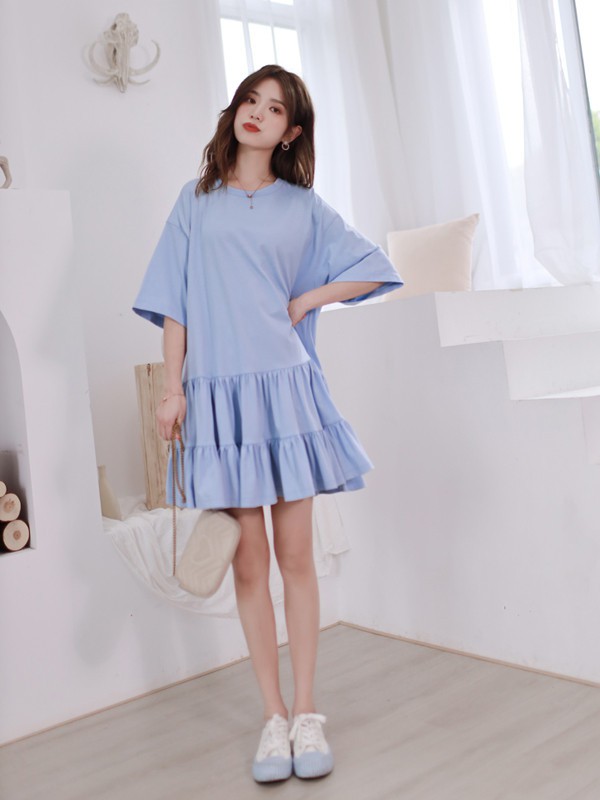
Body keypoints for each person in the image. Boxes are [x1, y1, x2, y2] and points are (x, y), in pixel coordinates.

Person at [133, 64, 403, 783]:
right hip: (218, 398)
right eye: (249, 100)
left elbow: (376, 268)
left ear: (292, 131)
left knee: (296, 558)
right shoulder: (195, 202)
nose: (256, 112)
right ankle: (273, 717)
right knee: (248, 564)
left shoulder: (303, 208)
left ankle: (307, 711)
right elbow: (174, 304)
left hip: (285, 394)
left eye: (274, 107)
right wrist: (172, 389)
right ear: (236, 112)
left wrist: (308, 299)